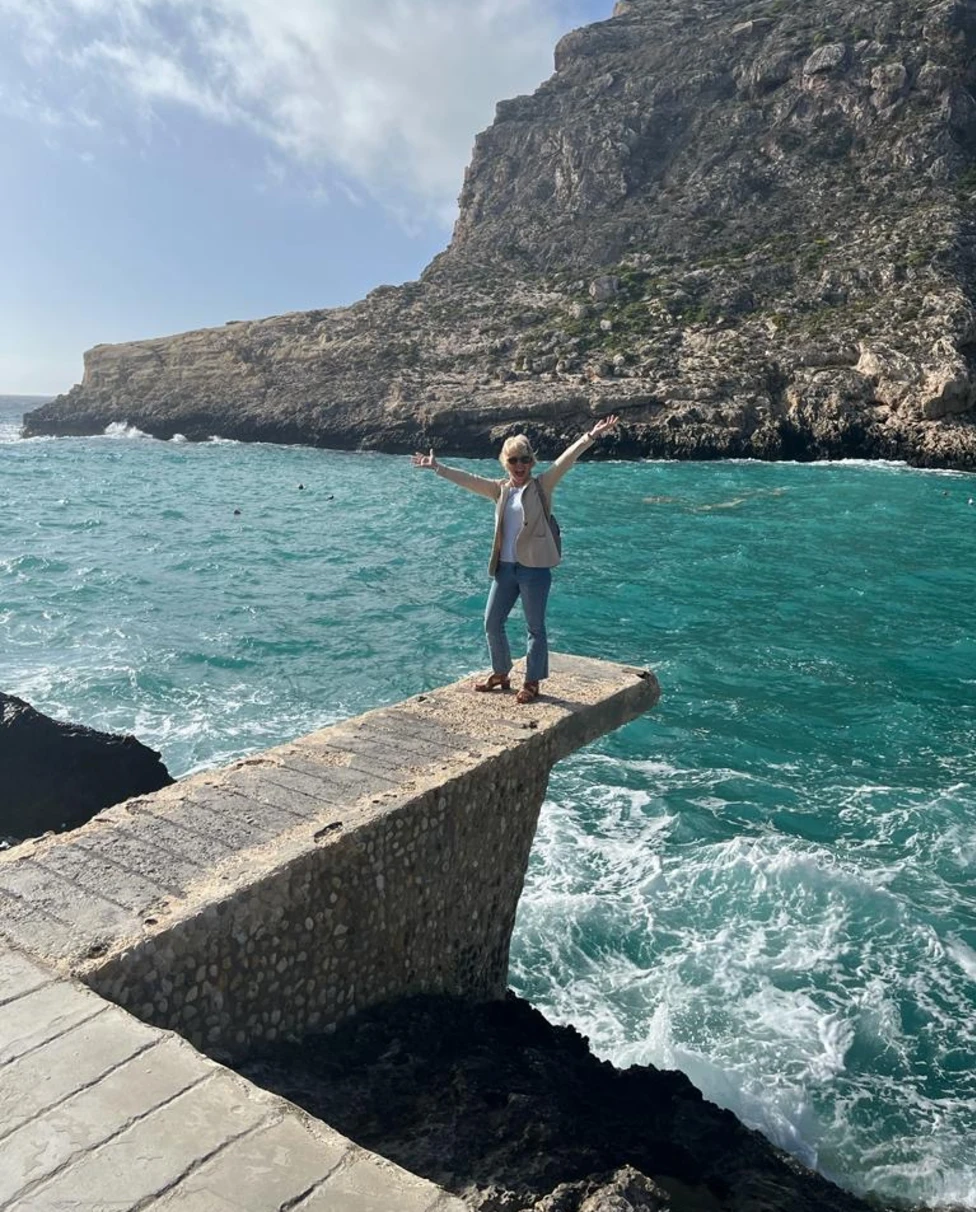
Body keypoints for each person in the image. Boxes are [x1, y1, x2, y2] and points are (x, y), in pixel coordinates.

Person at [412, 416, 619, 704]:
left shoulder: (542, 486)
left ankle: (532, 682)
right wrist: (438, 468)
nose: (520, 466)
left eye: (525, 460)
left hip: (534, 569)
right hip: (505, 569)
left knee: (535, 628)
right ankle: (501, 673)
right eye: (513, 461)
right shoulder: (501, 490)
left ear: (532, 462)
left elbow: (566, 460)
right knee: (491, 622)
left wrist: (591, 436)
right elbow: (469, 480)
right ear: (505, 463)